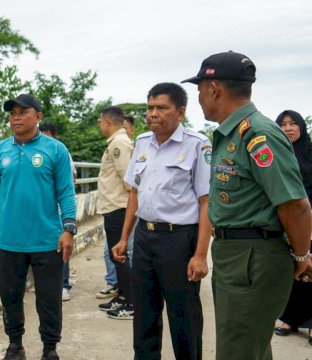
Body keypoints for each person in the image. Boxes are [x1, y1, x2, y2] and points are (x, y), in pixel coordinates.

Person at [182, 51, 312, 359]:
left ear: (214, 89)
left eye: (199, 88)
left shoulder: (257, 134)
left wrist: (301, 254)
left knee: (238, 350)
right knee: (248, 346)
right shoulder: (231, 133)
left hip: (253, 259)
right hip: (238, 257)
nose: (199, 97)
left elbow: (296, 205)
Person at [113, 82, 211, 359]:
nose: (153, 113)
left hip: (179, 240)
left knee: (184, 316)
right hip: (145, 237)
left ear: (180, 112)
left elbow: (207, 202)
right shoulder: (142, 142)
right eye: (150, 108)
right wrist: (124, 239)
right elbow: (135, 192)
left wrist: (201, 254)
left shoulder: (197, 144)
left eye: (161, 108)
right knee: (144, 313)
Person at [0, 94, 77, 360]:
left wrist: (69, 228)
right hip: (10, 241)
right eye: (12, 113)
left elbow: (66, 193)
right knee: (10, 299)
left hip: (48, 241)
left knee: (49, 300)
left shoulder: (55, 150)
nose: (16, 117)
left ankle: (50, 347)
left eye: (23, 112)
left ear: (38, 116)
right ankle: (15, 344)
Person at [273, 110, 312, 345]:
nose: (288, 128)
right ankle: (290, 318)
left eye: (293, 124)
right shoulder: (275, 154)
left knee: (309, 269)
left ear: (301, 127)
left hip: (309, 218)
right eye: (283, 124)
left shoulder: (310, 152)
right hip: (284, 220)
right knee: (291, 270)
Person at [95, 106, 135, 320]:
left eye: (100, 121)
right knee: (117, 254)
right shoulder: (118, 142)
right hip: (115, 206)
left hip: (119, 207)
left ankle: (130, 302)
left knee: (119, 255)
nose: (100, 125)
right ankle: (122, 296)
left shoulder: (118, 143)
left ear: (108, 122)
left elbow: (129, 179)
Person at [39, 123, 77, 302]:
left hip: (60, 211)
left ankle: (64, 285)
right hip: (43, 213)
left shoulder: (60, 152)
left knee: (62, 248)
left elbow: (72, 178)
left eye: (47, 135)